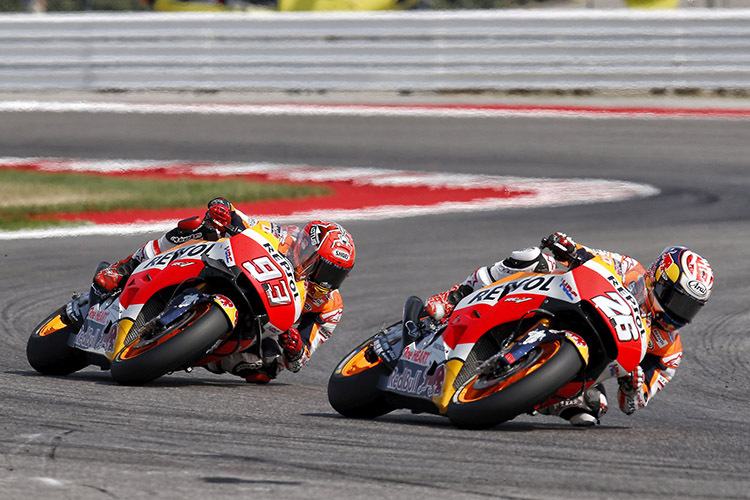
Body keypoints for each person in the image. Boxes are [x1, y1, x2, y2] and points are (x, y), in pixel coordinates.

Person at [424, 232, 714, 427]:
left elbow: (632, 405)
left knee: (592, 409)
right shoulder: (629, 269)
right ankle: (453, 298)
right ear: (658, 279)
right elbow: (589, 257)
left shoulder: (668, 351)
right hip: (567, 304)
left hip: (585, 367)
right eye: (675, 300)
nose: (677, 313)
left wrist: (633, 383)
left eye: (688, 308)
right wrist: (570, 247)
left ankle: (530, 390)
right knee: (532, 258)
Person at [91, 197, 356, 384]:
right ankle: (125, 267)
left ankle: (189, 351)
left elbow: (300, 359)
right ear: (307, 250)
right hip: (233, 273)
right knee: (197, 226)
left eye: (337, 275)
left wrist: (296, 348)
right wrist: (222, 210)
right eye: (324, 269)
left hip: (261, 325)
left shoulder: (330, 307)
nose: (327, 281)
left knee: (265, 369)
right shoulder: (283, 237)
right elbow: (241, 218)